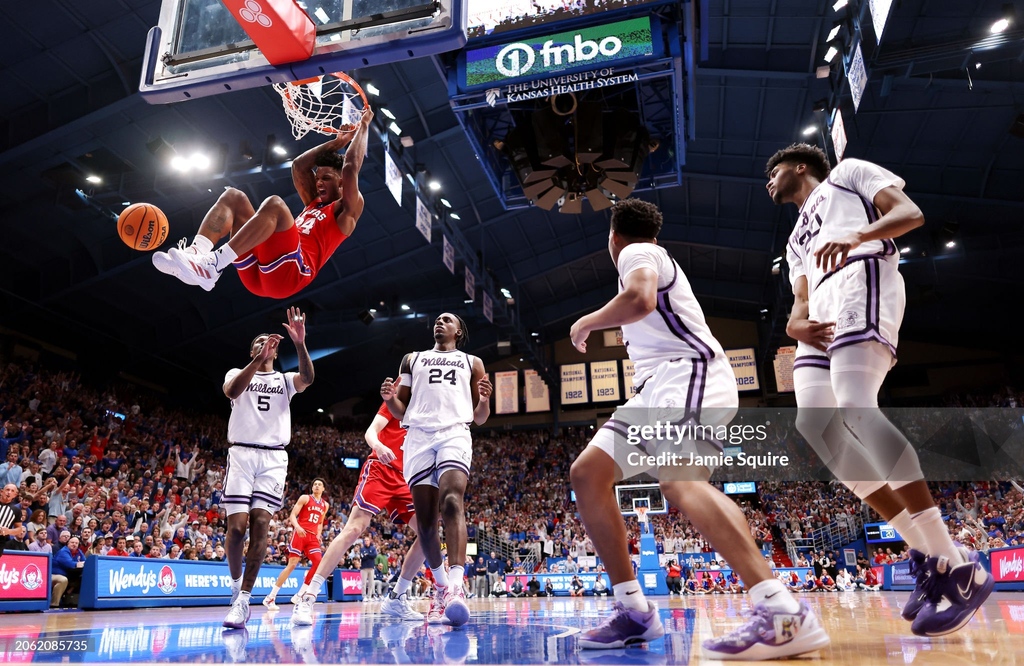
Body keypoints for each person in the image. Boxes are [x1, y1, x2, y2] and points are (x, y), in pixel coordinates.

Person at [568, 199, 829, 658]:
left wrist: (586, 321)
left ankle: (780, 610)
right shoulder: (643, 256)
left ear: (613, 238)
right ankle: (633, 611)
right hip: (653, 389)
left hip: (688, 374)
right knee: (588, 474)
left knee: (681, 480)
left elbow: (641, 298)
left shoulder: (636, 253)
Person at [766, 144, 993, 636]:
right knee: (816, 427)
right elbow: (798, 302)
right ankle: (936, 555)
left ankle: (959, 569)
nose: (768, 181)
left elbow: (910, 214)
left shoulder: (847, 173)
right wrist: (794, 325)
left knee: (856, 409)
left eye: (774, 171)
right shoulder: (794, 238)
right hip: (822, 316)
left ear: (799, 167)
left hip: (861, 280)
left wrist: (859, 234)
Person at [152, 107, 374, 296]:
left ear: (342, 184)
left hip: (291, 273)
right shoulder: (313, 203)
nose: (318, 183)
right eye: (317, 179)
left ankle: (214, 264)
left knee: (275, 204)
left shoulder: (346, 211)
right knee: (234, 196)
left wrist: (363, 126)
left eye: (326, 178)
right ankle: (197, 255)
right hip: (261, 271)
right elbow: (298, 166)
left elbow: (350, 168)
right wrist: (337, 143)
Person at [380, 313, 492, 626]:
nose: (440, 323)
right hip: (417, 436)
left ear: (459, 330)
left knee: (453, 501)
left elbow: (480, 417)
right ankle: (442, 586)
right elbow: (400, 408)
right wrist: (390, 401)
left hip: (454, 432)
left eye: (447, 320)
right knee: (427, 525)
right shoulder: (412, 359)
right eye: (437, 320)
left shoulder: (472, 362)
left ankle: (456, 585)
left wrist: (483, 401)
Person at [292, 402, 429, 625]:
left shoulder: (431, 402)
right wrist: (378, 445)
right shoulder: (399, 396)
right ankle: (307, 597)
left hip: (407, 477)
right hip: (381, 469)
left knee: (429, 534)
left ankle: (397, 596)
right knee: (355, 528)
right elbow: (371, 431)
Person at [220, 306, 314, 629]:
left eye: (269, 343)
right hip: (242, 455)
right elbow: (232, 391)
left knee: (260, 524)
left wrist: (300, 343)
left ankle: (244, 600)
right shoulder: (237, 373)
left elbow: (308, 378)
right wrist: (258, 361)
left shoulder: (284, 380)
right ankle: (235, 586)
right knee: (236, 530)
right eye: (259, 343)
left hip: (273, 458)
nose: (265, 345)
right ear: (252, 351)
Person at [263, 478, 328, 609]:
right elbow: (292, 515)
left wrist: (318, 534)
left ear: (323, 489)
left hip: (312, 537)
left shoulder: (325, 505)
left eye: (319, 485)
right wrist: (297, 527)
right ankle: (270, 597)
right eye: (314, 484)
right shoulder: (305, 498)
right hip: (300, 533)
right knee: (292, 565)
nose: (316, 486)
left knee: (319, 563)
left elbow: (320, 522)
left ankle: (300, 594)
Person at [0, 483, 27, 555]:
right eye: (7, 490)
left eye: (12, 491)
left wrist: (8, 531)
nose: (9, 492)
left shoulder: (16, 510)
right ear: (1, 492)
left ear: (15, 495)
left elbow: (19, 529)